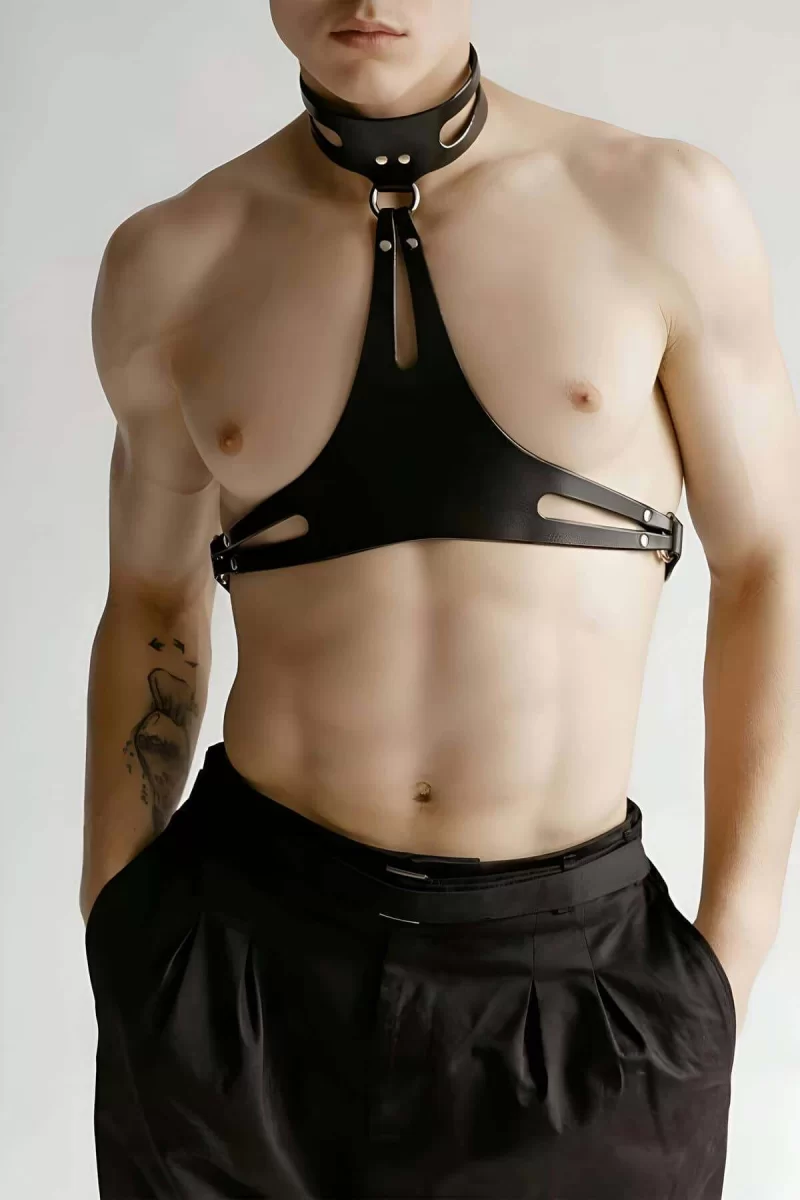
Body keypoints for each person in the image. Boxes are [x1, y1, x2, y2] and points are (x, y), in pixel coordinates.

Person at [81, 3, 800, 1198]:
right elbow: (152, 593)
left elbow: (768, 563)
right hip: (237, 971)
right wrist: (115, 918)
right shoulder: (174, 261)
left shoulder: (653, 208)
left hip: (570, 980)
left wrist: (728, 956)